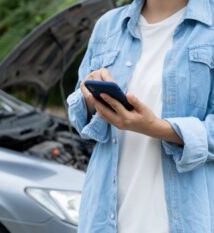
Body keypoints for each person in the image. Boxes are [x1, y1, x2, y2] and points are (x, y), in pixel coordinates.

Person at [67, 0, 214, 232]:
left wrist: (157, 128)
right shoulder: (108, 26)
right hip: (106, 218)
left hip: (186, 218)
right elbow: (78, 117)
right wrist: (89, 99)